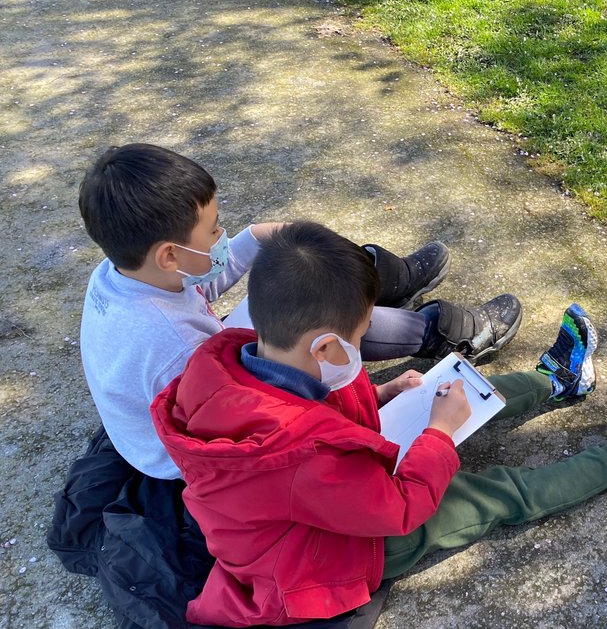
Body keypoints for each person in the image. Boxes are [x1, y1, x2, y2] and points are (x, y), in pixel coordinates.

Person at [150, 221, 607, 628]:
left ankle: (560, 382)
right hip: (337, 555)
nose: (362, 348)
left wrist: (381, 394)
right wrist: (437, 434)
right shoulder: (301, 457)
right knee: (494, 491)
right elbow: (399, 510)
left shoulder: (231, 364)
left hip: (314, 501)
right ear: (326, 347)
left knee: (455, 393)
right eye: (360, 338)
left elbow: (300, 423)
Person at [77, 142, 522, 480]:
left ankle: (386, 282)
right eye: (214, 232)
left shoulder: (125, 270)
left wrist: (265, 235)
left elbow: (200, 277)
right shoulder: (176, 347)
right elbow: (254, 414)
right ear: (169, 254)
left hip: (193, 398)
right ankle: (437, 331)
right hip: (195, 453)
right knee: (308, 309)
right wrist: (373, 399)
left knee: (304, 269)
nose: (222, 238)